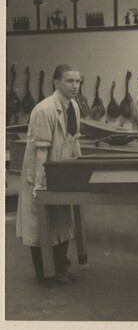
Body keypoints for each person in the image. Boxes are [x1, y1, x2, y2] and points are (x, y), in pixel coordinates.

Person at [16, 64, 82, 285]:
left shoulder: (73, 106)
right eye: (70, 81)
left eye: (78, 81)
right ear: (56, 83)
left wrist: (79, 170)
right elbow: (41, 150)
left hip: (62, 173)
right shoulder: (44, 110)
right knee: (41, 226)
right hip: (41, 173)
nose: (75, 85)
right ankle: (44, 274)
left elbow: (74, 141)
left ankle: (60, 268)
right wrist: (38, 183)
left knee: (62, 222)